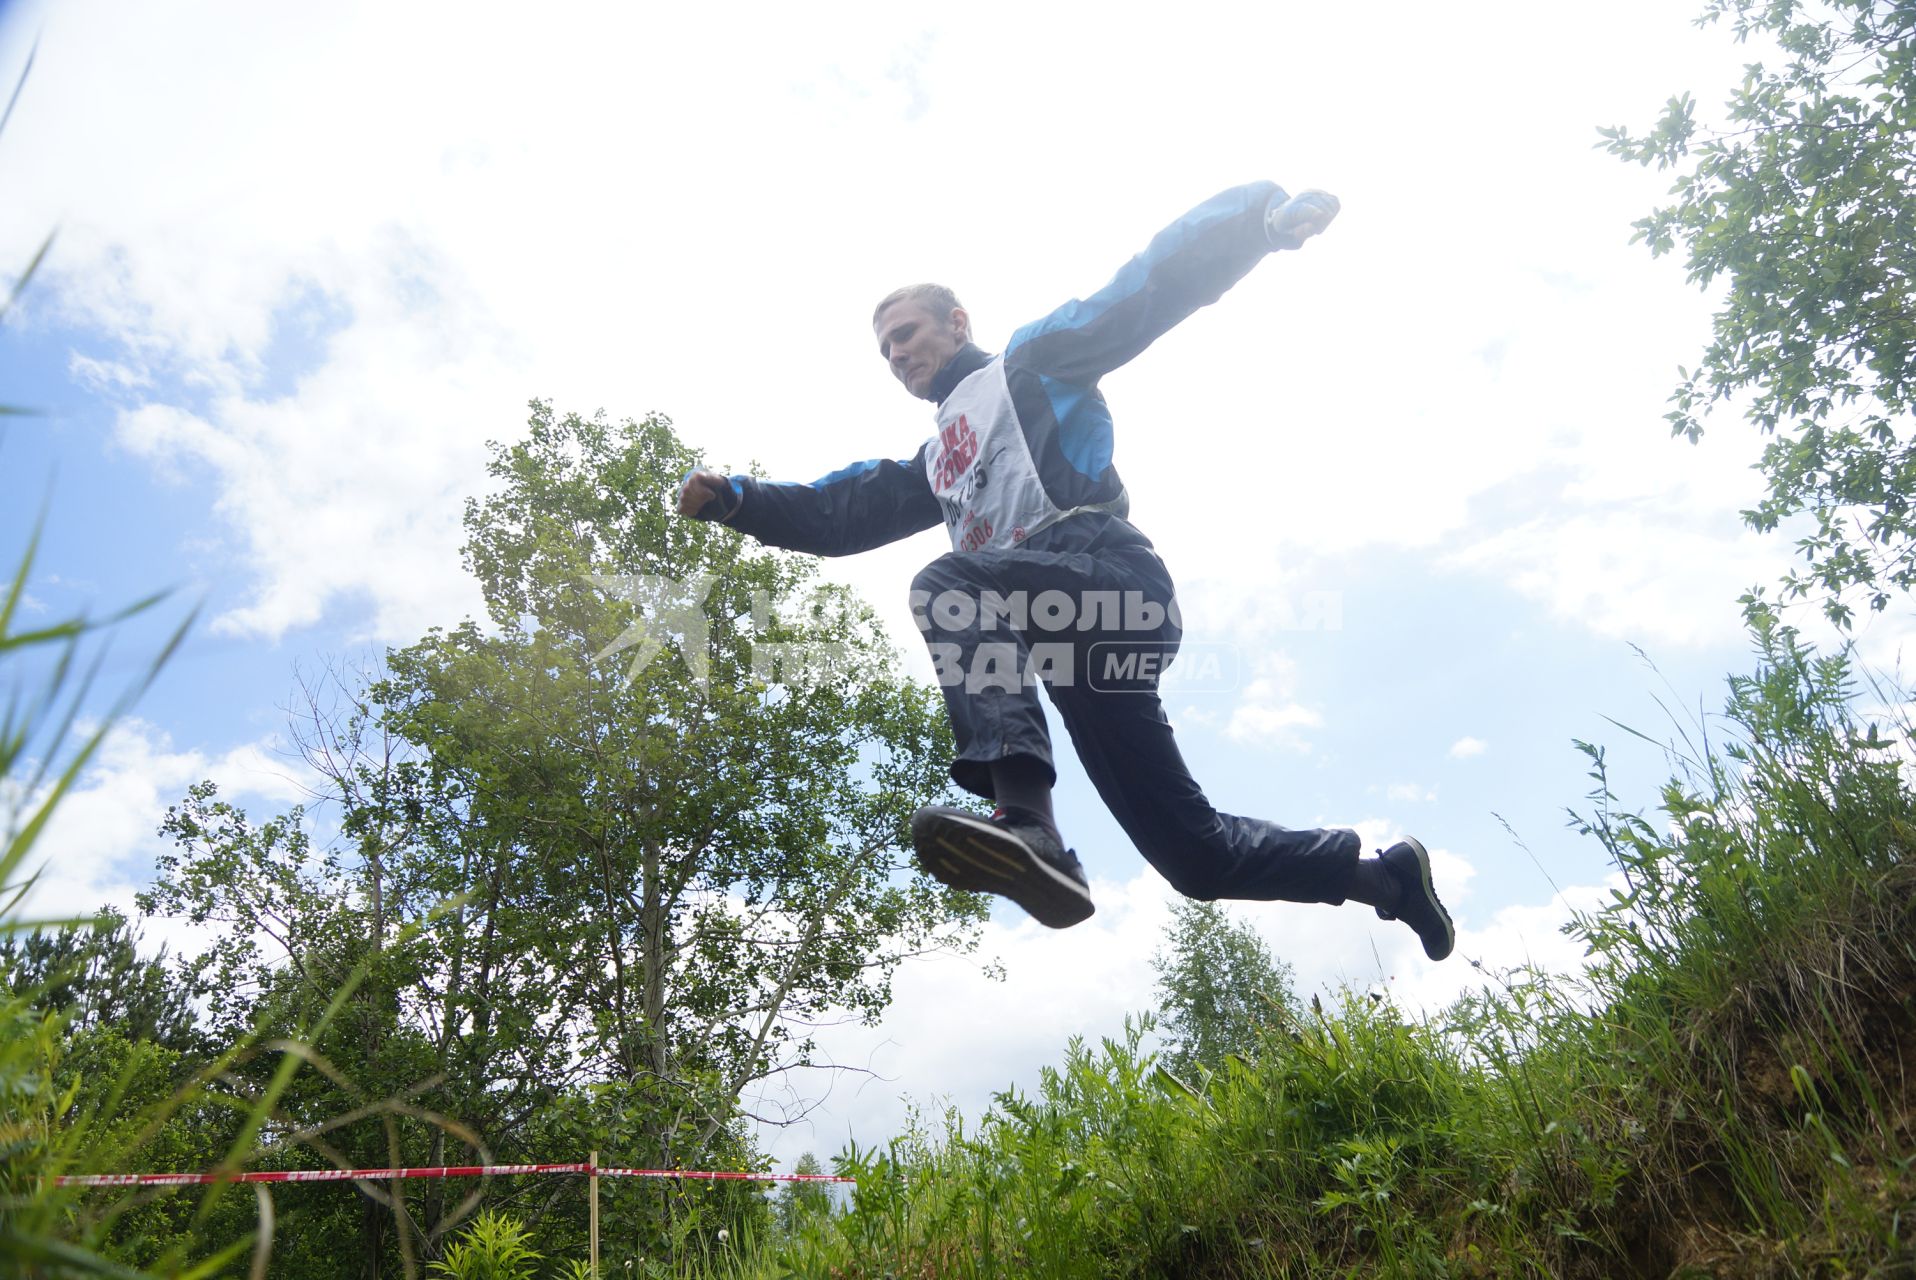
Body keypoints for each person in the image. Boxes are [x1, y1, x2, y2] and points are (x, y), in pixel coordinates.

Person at [675, 181, 1454, 962]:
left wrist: (1254, 225)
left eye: (906, 334)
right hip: (1068, 648)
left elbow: (1143, 290)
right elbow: (839, 511)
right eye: (883, 350)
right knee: (1194, 856)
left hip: (1109, 578)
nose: (896, 354)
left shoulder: (1033, 362)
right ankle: (1385, 879)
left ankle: (1028, 824)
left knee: (950, 581)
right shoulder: (936, 460)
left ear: (956, 322)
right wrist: (739, 501)